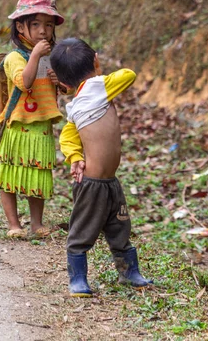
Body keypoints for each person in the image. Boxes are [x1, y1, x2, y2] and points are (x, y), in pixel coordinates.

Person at [50, 38, 153, 297]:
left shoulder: (76, 104)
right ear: (95, 61)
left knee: (119, 227)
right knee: (83, 230)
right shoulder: (102, 86)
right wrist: (99, 72)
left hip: (109, 183)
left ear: (63, 84)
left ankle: (127, 272)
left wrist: (74, 156)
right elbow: (129, 74)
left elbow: (67, 137)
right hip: (94, 185)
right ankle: (78, 280)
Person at [0, 0, 69, 239]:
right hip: (18, 126)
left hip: (43, 127)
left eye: (48, 25)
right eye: (35, 24)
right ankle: (14, 225)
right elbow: (24, 83)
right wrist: (35, 55)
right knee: (10, 175)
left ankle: (37, 224)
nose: (43, 31)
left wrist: (60, 81)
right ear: (19, 27)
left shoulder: (53, 57)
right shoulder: (15, 57)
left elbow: (66, 88)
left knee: (37, 176)